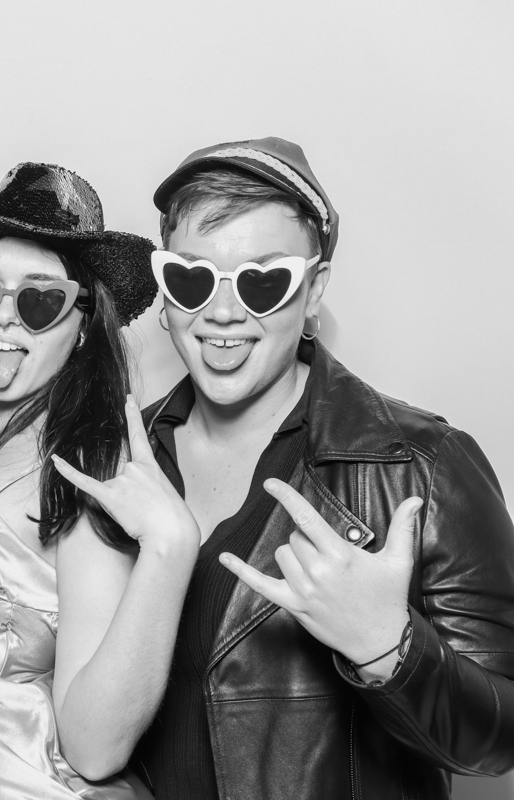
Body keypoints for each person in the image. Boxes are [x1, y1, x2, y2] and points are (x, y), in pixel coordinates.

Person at [133, 136, 514, 798]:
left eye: (263, 281)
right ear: (165, 292)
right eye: (192, 277)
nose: (222, 312)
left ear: (312, 294)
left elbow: (499, 743)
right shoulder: (119, 460)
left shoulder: (420, 465)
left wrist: (386, 648)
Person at [0, 162, 198, 799]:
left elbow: (96, 745)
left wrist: (170, 547)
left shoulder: (85, 466)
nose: (2, 320)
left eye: (39, 300)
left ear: (83, 325)